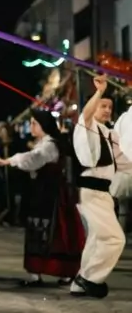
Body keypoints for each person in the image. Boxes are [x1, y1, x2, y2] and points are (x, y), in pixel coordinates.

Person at [0, 109, 84, 287]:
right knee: (42, 230)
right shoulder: (45, 143)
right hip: (44, 193)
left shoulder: (49, 145)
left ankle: (58, 271)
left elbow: (34, 158)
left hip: (50, 195)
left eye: (35, 123)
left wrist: (8, 161)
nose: (32, 126)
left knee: (50, 230)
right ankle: (41, 271)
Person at [71, 74, 128, 298]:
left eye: (109, 107)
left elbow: (124, 159)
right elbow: (85, 115)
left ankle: (80, 282)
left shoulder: (109, 133)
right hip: (90, 191)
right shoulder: (87, 126)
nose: (107, 110)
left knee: (96, 239)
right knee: (115, 238)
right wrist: (99, 92)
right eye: (103, 106)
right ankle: (89, 279)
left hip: (103, 193)